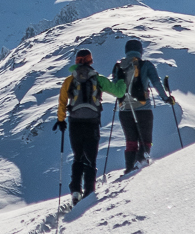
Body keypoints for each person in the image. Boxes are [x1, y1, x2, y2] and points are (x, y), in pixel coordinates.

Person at [56, 49, 124, 204]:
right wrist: (120, 79)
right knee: (90, 159)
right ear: (90, 61)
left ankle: (75, 191)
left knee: (77, 157)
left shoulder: (69, 80)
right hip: (92, 123)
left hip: (75, 123)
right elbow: (119, 93)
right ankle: (89, 191)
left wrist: (61, 120)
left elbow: (62, 100)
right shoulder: (97, 78)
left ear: (77, 61)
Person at [111, 39, 174, 173]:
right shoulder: (146, 65)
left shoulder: (118, 66)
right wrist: (166, 98)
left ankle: (129, 167)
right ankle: (141, 163)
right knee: (145, 139)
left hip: (125, 110)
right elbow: (156, 83)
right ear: (140, 51)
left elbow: (115, 88)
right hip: (143, 109)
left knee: (130, 141)